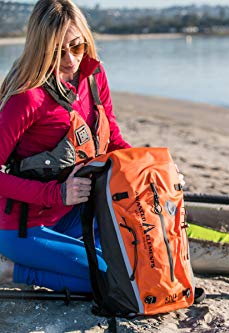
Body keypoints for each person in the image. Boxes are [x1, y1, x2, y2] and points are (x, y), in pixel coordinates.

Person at [0, 0, 131, 292]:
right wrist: (57, 192)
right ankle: (12, 271)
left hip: (79, 214)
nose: (71, 60)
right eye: (58, 52)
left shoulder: (93, 77)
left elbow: (113, 141)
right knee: (112, 281)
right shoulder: (27, 98)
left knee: (136, 264)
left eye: (77, 47)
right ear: (40, 49)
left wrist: (152, 168)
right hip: (28, 227)